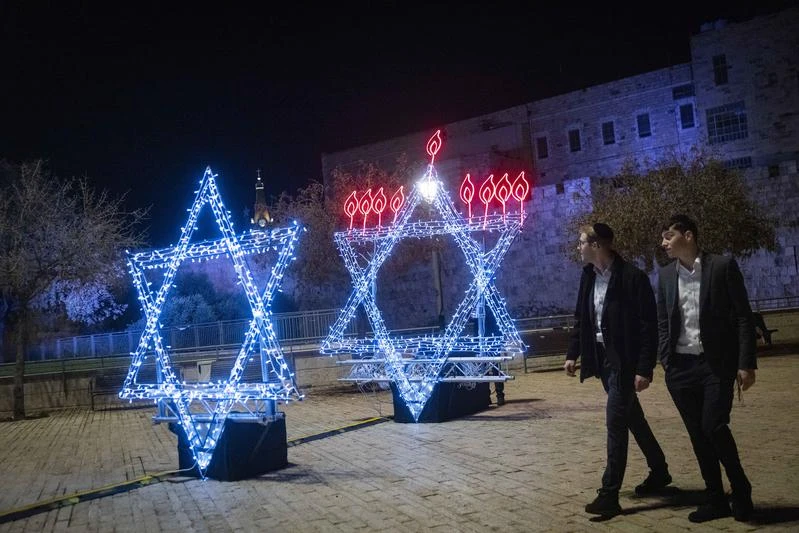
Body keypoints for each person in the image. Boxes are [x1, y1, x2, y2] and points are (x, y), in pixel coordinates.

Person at [565, 223, 671, 518]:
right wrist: (573, 353)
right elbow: (581, 318)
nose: (578, 247)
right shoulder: (588, 277)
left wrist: (644, 368)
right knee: (632, 418)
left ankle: (609, 493)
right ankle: (660, 471)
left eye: (581, 242)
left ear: (597, 245)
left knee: (616, 424)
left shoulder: (631, 278)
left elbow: (648, 326)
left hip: (624, 363)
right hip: (602, 360)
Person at [657, 214, 756, 523]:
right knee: (698, 435)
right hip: (680, 368)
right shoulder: (664, 276)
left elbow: (743, 316)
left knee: (713, 426)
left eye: (668, 236)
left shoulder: (722, 267)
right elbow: (664, 321)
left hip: (715, 365)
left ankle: (740, 489)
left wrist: (746, 363)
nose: (664, 243)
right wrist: (666, 360)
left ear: (688, 235)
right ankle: (715, 498)